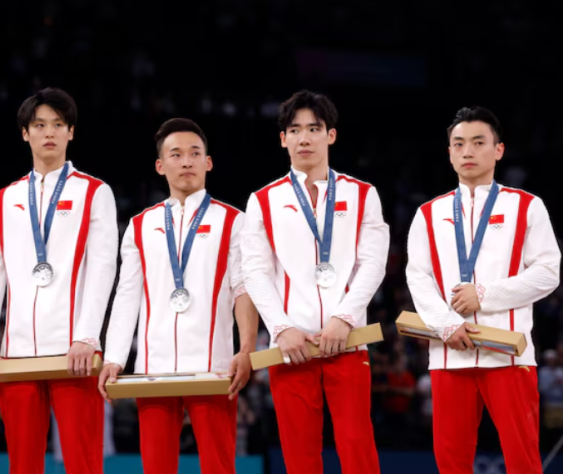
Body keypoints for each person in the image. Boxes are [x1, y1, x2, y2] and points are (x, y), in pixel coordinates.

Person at [406, 106, 561, 474]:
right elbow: (418, 277)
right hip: (449, 352)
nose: (468, 151)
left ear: (498, 150)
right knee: (450, 461)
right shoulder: (428, 213)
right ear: (449, 153)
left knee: (523, 461)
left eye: (478, 142)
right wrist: (446, 324)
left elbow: (548, 273)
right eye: (459, 144)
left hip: (509, 354)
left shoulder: (527, 206)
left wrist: (485, 294)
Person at [98, 118, 258, 474]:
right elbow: (127, 296)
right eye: (176, 154)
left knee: (219, 467)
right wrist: (114, 358)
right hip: (153, 372)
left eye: (195, 153)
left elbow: (243, 289)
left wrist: (246, 348)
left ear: (208, 162)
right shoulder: (140, 225)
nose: (187, 161)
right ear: (160, 165)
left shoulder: (235, 221)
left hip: (213, 368)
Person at [0, 87, 118, 474]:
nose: (49, 132)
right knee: (22, 464)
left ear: (71, 132)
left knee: (84, 463)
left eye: (57, 124)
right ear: (25, 133)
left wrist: (87, 336)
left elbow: (103, 267)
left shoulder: (94, 192)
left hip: (74, 352)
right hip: (16, 354)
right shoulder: (3, 200)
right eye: (39, 125)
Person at [241, 90, 388, 473]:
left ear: (331, 135)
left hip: (348, 341)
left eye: (314, 128)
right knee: (299, 454)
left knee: (357, 447)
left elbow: (373, 264)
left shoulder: (362, 194)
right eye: (295, 130)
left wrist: (344, 318)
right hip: (290, 348)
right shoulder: (262, 200)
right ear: (283, 139)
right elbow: (255, 272)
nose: (304, 138)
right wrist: (281, 328)